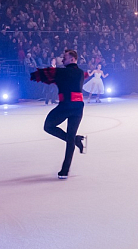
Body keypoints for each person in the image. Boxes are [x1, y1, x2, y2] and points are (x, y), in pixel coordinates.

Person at [30, 49, 87, 179]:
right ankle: (65, 170)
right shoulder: (81, 73)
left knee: (48, 126)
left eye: (65, 57)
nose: (62, 59)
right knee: (71, 138)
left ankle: (75, 140)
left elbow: (44, 75)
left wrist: (34, 74)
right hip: (78, 108)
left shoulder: (62, 72)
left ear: (72, 59)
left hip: (66, 105)